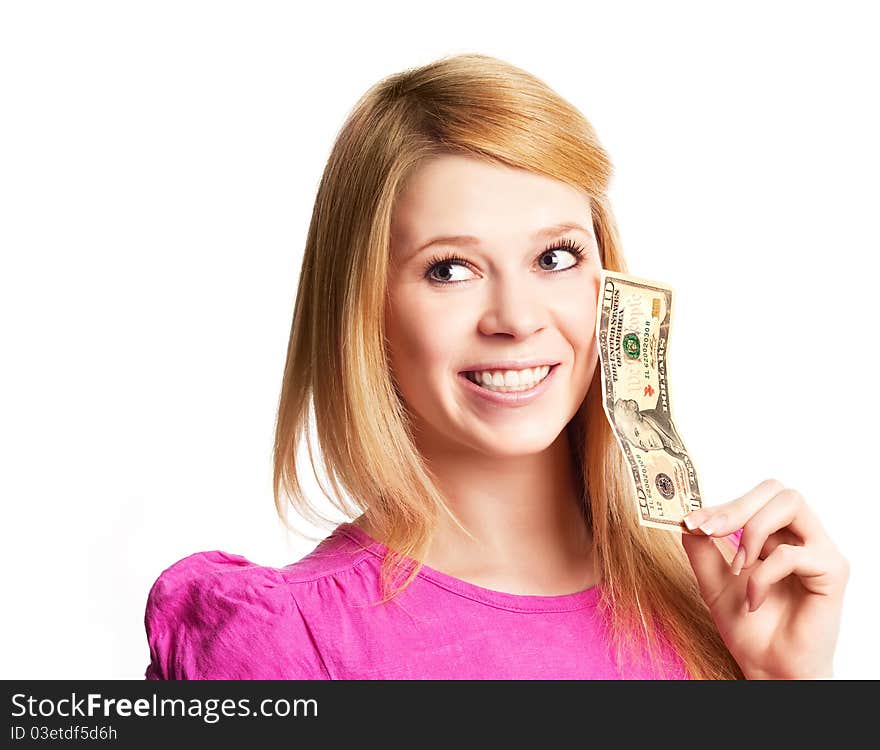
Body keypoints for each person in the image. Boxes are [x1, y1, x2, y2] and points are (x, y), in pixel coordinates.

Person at [143, 53, 849, 680]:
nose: (516, 317)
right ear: (363, 309)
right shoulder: (284, 647)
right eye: (450, 269)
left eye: (555, 258)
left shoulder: (726, 599)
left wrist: (787, 692)